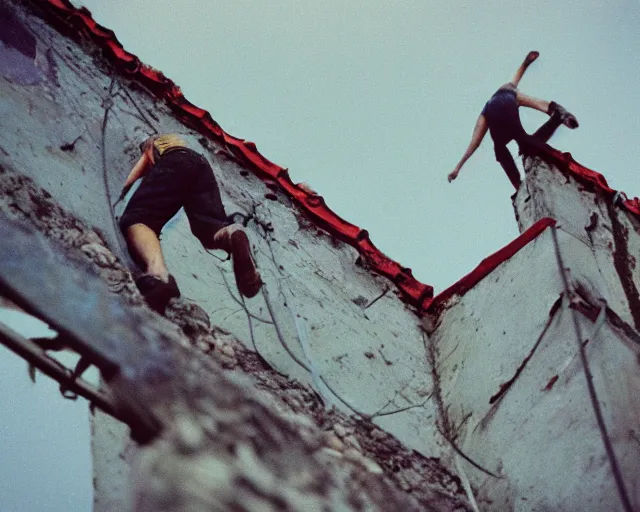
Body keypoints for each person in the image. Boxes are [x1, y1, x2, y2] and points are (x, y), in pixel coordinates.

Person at [118, 134, 262, 313]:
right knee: (209, 230)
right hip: (202, 169)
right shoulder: (185, 144)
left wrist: (121, 193)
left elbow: (137, 172)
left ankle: (159, 275)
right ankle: (230, 233)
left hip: (175, 162)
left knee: (138, 219)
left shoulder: (152, 145)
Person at [448, 51, 579, 190]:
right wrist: (527, 61)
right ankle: (558, 115)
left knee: (501, 150)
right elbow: (523, 80)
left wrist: (458, 168)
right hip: (510, 104)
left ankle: (518, 185)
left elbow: (475, 142)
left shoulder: (486, 110)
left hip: (499, 124)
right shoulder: (509, 90)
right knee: (528, 136)